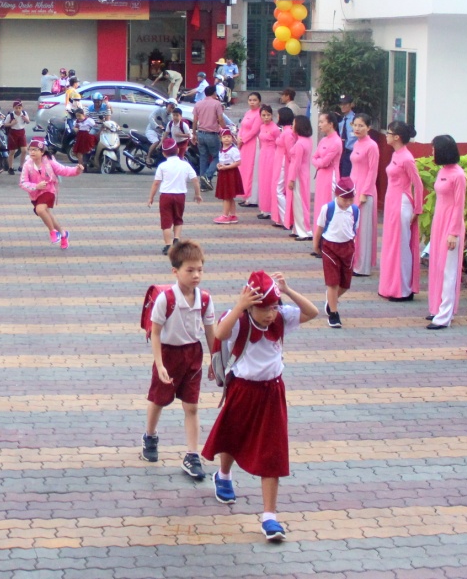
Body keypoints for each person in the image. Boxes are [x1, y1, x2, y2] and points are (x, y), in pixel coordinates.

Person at [204, 270, 318, 544]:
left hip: (272, 391)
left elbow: (312, 312)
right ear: (250, 306)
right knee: (232, 437)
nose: (270, 314)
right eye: (263, 308)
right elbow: (220, 332)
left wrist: (287, 291)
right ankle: (224, 475)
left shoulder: (281, 318)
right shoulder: (239, 320)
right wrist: (240, 306)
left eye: (273, 307)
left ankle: (269, 517)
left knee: (273, 451)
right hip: (243, 389)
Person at [141, 240, 216, 482]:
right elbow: (155, 332)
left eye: (200, 270)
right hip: (169, 354)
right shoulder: (166, 299)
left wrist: (216, 359)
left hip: (193, 355)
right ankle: (150, 436)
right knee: (159, 399)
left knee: (192, 406)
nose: (196, 275)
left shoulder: (204, 298)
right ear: (175, 271)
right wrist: (160, 364)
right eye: (190, 270)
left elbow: (210, 331)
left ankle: (192, 454)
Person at [378, 121, 424, 301]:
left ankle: (403, 289)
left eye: (388, 133)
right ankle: (391, 286)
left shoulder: (406, 158)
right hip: (392, 203)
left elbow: (418, 184)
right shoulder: (396, 155)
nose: (386, 135)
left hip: (401, 204)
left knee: (401, 247)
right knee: (391, 246)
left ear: (397, 137)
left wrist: (417, 208)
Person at [425, 136, 467, 330]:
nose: (432, 152)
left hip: (451, 225)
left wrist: (454, 232)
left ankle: (444, 316)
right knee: (437, 266)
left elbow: (459, 206)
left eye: (434, 149)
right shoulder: (443, 171)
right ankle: (437, 307)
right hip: (439, 223)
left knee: (449, 271)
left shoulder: (458, 175)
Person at [20, 136, 82, 249]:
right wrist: (36, 186)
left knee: (40, 209)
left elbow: (63, 170)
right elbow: (23, 182)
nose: (32, 152)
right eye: (30, 149)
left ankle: (53, 232)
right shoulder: (27, 165)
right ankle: (63, 234)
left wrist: (76, 170)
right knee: (47, 215)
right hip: (35, 194)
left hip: (49, 190)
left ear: (42, 152)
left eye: (35, 150)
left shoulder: (49, 161)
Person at [314, 178, 359, 328]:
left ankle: (330, 300)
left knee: (345, 284)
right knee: (332, 282)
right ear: (337, 195)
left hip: (348, 248)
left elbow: (354, 230)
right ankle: (333, 313)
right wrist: (316, 244)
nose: (348, 203)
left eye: (351, 199)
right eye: (344, 199)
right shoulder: (328, 209)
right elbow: (320, 228)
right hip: (330, 247)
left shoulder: (354, 210)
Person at [148, 135, 203, 252]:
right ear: (178, 150)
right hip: (180, 196)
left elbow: (156, 183)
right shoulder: (185, 165)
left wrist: (151, 197)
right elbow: (195, 180)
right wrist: (197, 194)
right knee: (178, 218)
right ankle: (176, 239)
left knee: (166, 221)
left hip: (165, 196)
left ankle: (168, 246)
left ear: (164, 154)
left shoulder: (162, 166)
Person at [348, 114, 380, 277]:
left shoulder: (372, 146)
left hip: (365, 191)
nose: (357, 129)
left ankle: (363, 266)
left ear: (369, 128)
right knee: (354, 228)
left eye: (361, 126)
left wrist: (365, 192)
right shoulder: (356, 144)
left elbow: (373, 171)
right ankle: (354, 262)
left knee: (364, 230)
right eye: (355, 125)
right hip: (354, 188)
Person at [310, 113, 342, 247]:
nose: (320, 124)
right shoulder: (324, 140)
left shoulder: (336, 141)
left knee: (328, 208)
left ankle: (327, 243)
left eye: (322, 122)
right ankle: (318, 242)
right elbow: (315, 157)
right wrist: (318, 162)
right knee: (319, 208)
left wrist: (318, 162)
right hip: (322, 177)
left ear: (331, 124)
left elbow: (324, 162)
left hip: (330, 178)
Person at [283, 115, 314, 241]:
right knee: (300, 202)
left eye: (294, 124)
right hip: (303, 173)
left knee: (300, 203)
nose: (292, 126)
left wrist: (291, 179)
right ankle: (298, 228)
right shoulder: (307, 140)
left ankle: (304, 231)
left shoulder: (300, 143)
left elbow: (296, 163)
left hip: (298, 175)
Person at [192, 87, 230, 190]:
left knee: (203, 158)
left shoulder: (198, 104)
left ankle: (203, 184)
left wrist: (194, 134)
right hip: (212, 134)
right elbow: (221, 119)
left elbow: (195, 120)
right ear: (214, 93)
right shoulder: (216, 103)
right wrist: (226, 130)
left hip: (200, 133)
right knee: (217, 157)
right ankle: (207, 177)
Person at [255, 106, 282, 223]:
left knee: (270, 181)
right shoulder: (261, 127)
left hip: (272, 155)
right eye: (263, 115)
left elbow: (279, 144)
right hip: (263, 155)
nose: (266, 118)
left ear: (272, 115)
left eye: (268, 115)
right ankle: (264, 208)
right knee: (263, 180)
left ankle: (271, 209)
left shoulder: (275, 129)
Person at [236, 92, 263, 209]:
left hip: (253, 144)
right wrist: (238, 138)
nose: (252, 102)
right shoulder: (248, 112)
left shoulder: (259, 114)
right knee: (244, 170)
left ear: (259, 102)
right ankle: (246, 195)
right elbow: (242, 127)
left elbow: (254, 131)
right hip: (244, 144)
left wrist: (243, 140)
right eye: (250, 100)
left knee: (253, 170)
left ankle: (253, 198)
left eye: (255, 100)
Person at [271, 107, 295, 227]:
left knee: (279, 190)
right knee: (278, 190)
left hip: (283, 163)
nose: (277, 117)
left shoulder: (288, 132)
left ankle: (286, 218)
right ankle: (281, 218)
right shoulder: (286, 131)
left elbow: (291, 152)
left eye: (279, 115)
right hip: (279, 162)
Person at [214, 129, 243, 225]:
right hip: (224, 173)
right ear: (221, 139)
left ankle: (225, 215)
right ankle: (233, 215)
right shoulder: (221, 150)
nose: (227, 139)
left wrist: (226, 167)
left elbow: (238, 162)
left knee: (227, 196)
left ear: (232, 138)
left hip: (230, 173)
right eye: (224, 137)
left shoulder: (233, 150)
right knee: (229, 196)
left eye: (229, 137)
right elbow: (221, 160)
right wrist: (219, 165)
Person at [7, 100, 33, 171]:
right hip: (13, 133)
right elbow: (5, 124)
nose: (18, 109)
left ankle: (21, 166)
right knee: (12, 151)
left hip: (21, 132)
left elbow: (28, 122)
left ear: (22, 108)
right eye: (16, 108)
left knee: (24, 150)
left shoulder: (24, 113)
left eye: (19, 108)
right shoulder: (11, 115)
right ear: (13, 108)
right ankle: (10, 167)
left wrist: (25, 119)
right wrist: (11, 124)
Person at [335, 95, 357, 177]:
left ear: (351, 104)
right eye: (341, 104)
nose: (342, 106)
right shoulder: (341, 120)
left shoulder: (355, 119)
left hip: (352, 152)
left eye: (345, 104)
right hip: (342, 152)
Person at [71, 106, 97, 171]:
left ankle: (87, 163)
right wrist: (75, 129)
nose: (78, 117)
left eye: (79, 115)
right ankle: (81, 165)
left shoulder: (89, 120)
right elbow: (75, 129)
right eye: (77, 116)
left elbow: (95, 127)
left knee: (87, 151)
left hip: (88, 137)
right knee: (78, 152)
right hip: (80, 136)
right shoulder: (76, 122)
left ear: (83, 114)